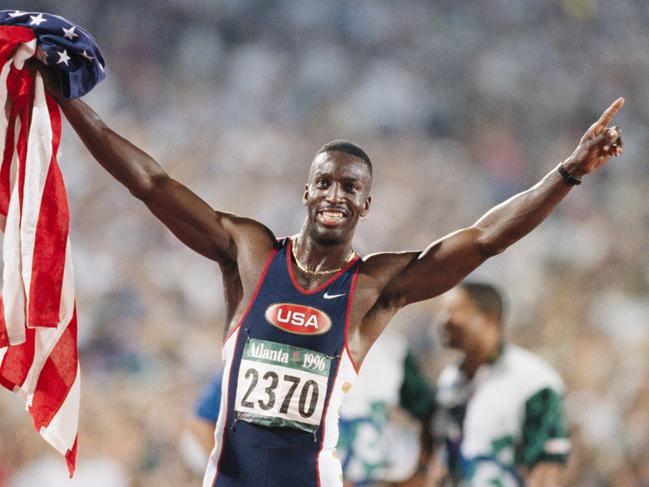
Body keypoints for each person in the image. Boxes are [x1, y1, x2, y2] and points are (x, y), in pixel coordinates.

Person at [32, 58, 623, 487]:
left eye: (352, 187)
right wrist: (67, 99)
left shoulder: (375, 289)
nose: (336, 194)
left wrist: (567, 173)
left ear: (367, 204)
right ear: (307, 190)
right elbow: (151, 184)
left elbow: (486, 239)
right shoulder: (251, 252)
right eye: (326, 182)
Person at [427, 282, 570, 486]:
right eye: (443, 311)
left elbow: (547, 466)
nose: (443, 320)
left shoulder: (534, 381)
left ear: (489, 319)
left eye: (455, 311)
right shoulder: (449, 381)